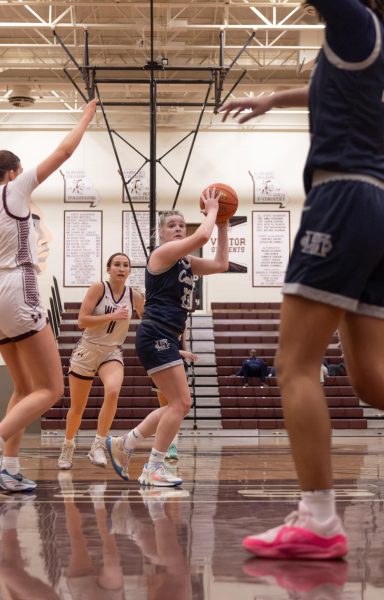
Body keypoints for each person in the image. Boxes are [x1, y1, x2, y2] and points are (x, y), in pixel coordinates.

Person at [221, 0, 384, 559]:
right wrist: (276, 98)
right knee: (372, 378)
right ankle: (317, 518)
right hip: (382, 206)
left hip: (342, 199)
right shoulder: (375, 39)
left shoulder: (351, 20)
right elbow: (334, 95)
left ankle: (319, 519)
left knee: (294, 365)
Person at [0, 99, 97, 492]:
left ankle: (8, 466)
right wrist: (87, 116)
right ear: (14, 172)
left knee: (24, 388)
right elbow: (64, 151)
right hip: (15, 288)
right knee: (52, 389)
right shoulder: (14, 189)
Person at [107, 194, 229, 487]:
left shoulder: (186, 262)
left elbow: (222, 264)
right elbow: (202, 233)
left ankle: (125, 442)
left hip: (167, 336)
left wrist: (223, 224)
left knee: (176, 404)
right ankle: (153, 467)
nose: (177, 228)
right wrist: (213, 211)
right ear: (161, 233)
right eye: (171, 225)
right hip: (155, 333)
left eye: (180, 225)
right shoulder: (160, 255)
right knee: (181, 403)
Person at [58, 253, 144, 470]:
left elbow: (149, 321)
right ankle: (68, 445)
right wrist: (111, 315)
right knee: (77, 408)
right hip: (87, 349)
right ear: (109, 268)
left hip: (111, 351)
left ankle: (98, 444)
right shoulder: (98, 288)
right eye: (117, 264)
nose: (121, 268)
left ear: (130, 270)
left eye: (126, 265)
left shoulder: (135, 296)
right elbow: (81, 320)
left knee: (113, 391)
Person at [154, 328, 198, 461]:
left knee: (178, 410)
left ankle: (172, 446)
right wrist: (182, 352)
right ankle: (164, 446)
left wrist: (187, 355)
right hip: (161, 365)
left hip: (179, 365)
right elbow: (157, 346)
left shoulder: (182, 321)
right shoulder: (158, 319)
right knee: (166, 409)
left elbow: (182, 345)